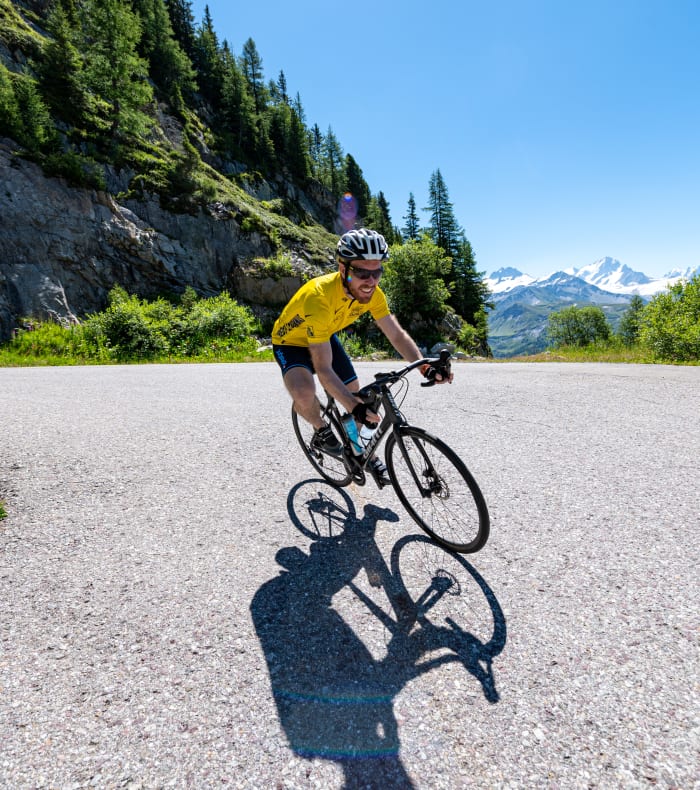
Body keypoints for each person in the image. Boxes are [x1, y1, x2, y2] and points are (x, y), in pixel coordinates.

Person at [272, 227, 453, 481]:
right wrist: (353, 406)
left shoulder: (374, 294)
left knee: (355, 393)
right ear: (343, 268)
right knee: (305, 392)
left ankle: (358, 452)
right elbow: (323, 370)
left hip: (323, 335)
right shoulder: (319, 297)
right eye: (361, 272)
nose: (370, 281)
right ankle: (321, 429)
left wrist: (425, 366)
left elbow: (397, 335)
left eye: (376, 272)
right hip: (290, 342)